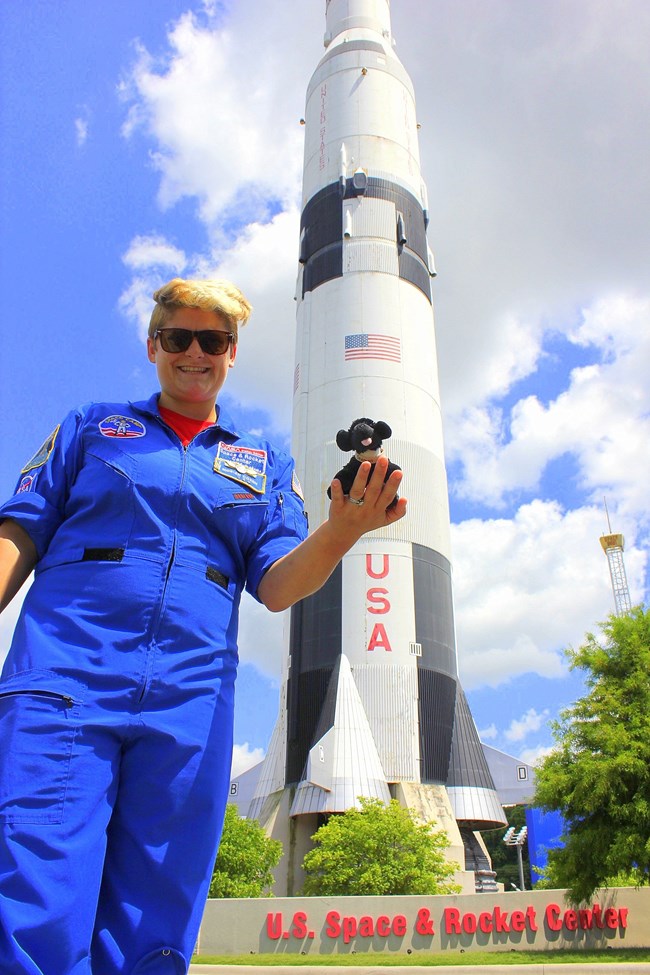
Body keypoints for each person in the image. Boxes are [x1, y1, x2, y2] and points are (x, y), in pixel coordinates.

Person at [0, 277, 406, 975]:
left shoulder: (262, 464)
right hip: (64, 678)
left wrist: (341, 533)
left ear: (233, 352)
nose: (195, 353)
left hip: (189, 700)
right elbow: (20, 531)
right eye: (178, 337)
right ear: (153, 344)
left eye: (212, 340)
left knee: (156, 908)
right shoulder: (90, 426)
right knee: (38, 885)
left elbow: (278, 586)